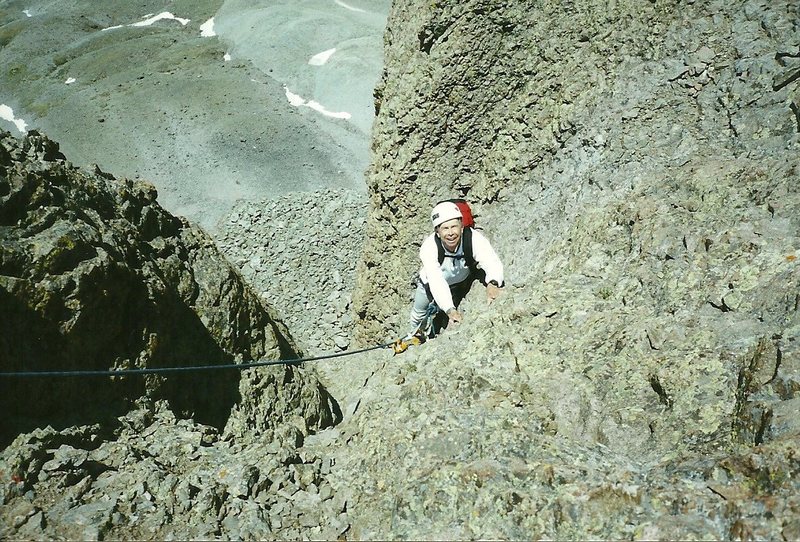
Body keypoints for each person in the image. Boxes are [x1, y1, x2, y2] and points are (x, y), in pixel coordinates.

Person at [408, 201, 504, 336]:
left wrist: (493, 282)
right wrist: (449, 309)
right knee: (419, 313)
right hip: (429, 285)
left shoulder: (473, 238)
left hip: (460, 282)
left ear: (462, 226)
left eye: (454, 226)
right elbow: (436, 281)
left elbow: (490, 259)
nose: (451, 233)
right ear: (437, 231)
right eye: (445, 228)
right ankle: (415, 335)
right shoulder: (429, 248)